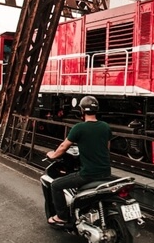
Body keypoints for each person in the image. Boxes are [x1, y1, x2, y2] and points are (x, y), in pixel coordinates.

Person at [45, 96, 113, 225]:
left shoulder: (79, 128)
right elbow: (107, 148)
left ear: (81, 111)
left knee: (55, 185)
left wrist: (52, 155)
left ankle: (62, 216)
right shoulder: (105, 127)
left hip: (88, 174)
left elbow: (63, 147)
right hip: (106, 173)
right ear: (96, 110)